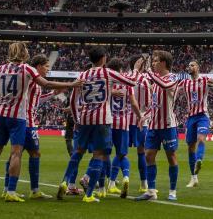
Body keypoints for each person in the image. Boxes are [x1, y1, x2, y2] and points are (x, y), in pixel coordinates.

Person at [0, 42, 81, 203]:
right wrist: (70, 84)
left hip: (0, 114)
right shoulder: (28, 71)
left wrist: (8, 100)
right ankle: (14, 190)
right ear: (23, 53)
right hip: (21, 119)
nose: (48, 69)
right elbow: (44, 85)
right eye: (46, 66)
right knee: (19, 153)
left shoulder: (1, 68)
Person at [57, 46, 137, 203]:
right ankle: (89, 195)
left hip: (85, 118)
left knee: (78, 152)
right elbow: (131, 82)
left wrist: (77, 119)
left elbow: (73, 101)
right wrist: (135, 69)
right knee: (99, 154)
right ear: (103, 59)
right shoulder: (108, 73)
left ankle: (65, 181)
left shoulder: (83, 74)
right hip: (102, 119)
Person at [2, 54, 56, 200]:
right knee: (33, 153)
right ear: (38, 66)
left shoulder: (33, 81)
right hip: (27, 122)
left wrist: (52, 94)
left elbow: (36, 101)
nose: (48, 70)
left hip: (24, 120)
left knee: (15, 154)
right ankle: (34, 190)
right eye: (46, 66)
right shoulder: (32, 79)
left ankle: (7, 189)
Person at [135, 50, 181, 202]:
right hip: (154, 126)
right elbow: (154, 105)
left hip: (168, 125)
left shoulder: (173, 78)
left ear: (163, 63)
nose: (153, 64)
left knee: (171, 157)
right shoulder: (155, 82)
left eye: (155, 61)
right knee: (148, 155)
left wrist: (149, 73)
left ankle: (172, 191)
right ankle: (151, 191)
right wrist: (144, 116)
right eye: (152, 61)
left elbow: (165, 85)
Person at [180, 60, 213, 188]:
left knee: (201, 138)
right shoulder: (185, 83)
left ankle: (199, 160)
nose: (189, 66)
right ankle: (194, 178)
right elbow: (172, 91)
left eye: (192, 65)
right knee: (190, 147)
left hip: (202, 116)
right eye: (188, 65)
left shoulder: (205, 80)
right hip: (190, 118)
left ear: (198, 67)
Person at [106, 57, 142, 198]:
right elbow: (133, 102)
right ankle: (125, 177)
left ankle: (107, 184)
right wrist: (139, 116)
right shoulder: (126, 83)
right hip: (123, 123)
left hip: (108, 122)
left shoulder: (106, 81)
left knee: (104, 154)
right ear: (120, 70)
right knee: (122, 154)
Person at [127, 55, 152, 194]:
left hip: (124, 121)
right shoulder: (145, 81)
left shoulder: (124, 76)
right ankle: (144, 184)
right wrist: (144, 117)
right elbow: (149, 105)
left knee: (118, 153)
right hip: (140, 121)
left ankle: (107, 182)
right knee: (141, 153)